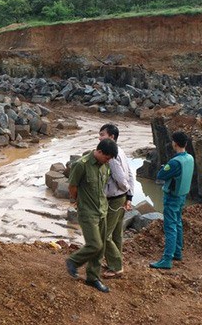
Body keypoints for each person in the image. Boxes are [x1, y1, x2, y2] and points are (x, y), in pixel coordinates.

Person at [65, 138, 118, 293]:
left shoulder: (104, 166)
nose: (107, 161)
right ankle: (73, 261)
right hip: (87, 212)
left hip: (102, 210)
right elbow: (72, 186)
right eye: (106, 157)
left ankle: (93, 278)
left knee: (100, 250)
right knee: (95, 244)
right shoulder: (81, 165)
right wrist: (78, 201)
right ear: (99, 151)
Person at [150, 131, 194, 270]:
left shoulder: (175, 162)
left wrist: (164, 168)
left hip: (172, 197)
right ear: (186, 143)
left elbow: (161, 175)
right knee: (178, 223)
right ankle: (177, 252)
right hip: (182, 195)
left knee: (170, 227)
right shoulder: (190, 158)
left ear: (175, 143)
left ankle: (167, 259)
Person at [98, 124, 135, 278]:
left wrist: (125, 189)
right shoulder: (121, 151)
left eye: (102, 135)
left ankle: (116, 266)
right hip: (121, 198)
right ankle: (115, 260)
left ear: (111, 137)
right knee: (116, 234)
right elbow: (131, 175)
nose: (99, 138)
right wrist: (129, 196)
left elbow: (121, 178)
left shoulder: (111, 156)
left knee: (104, 234)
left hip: (114, 199)